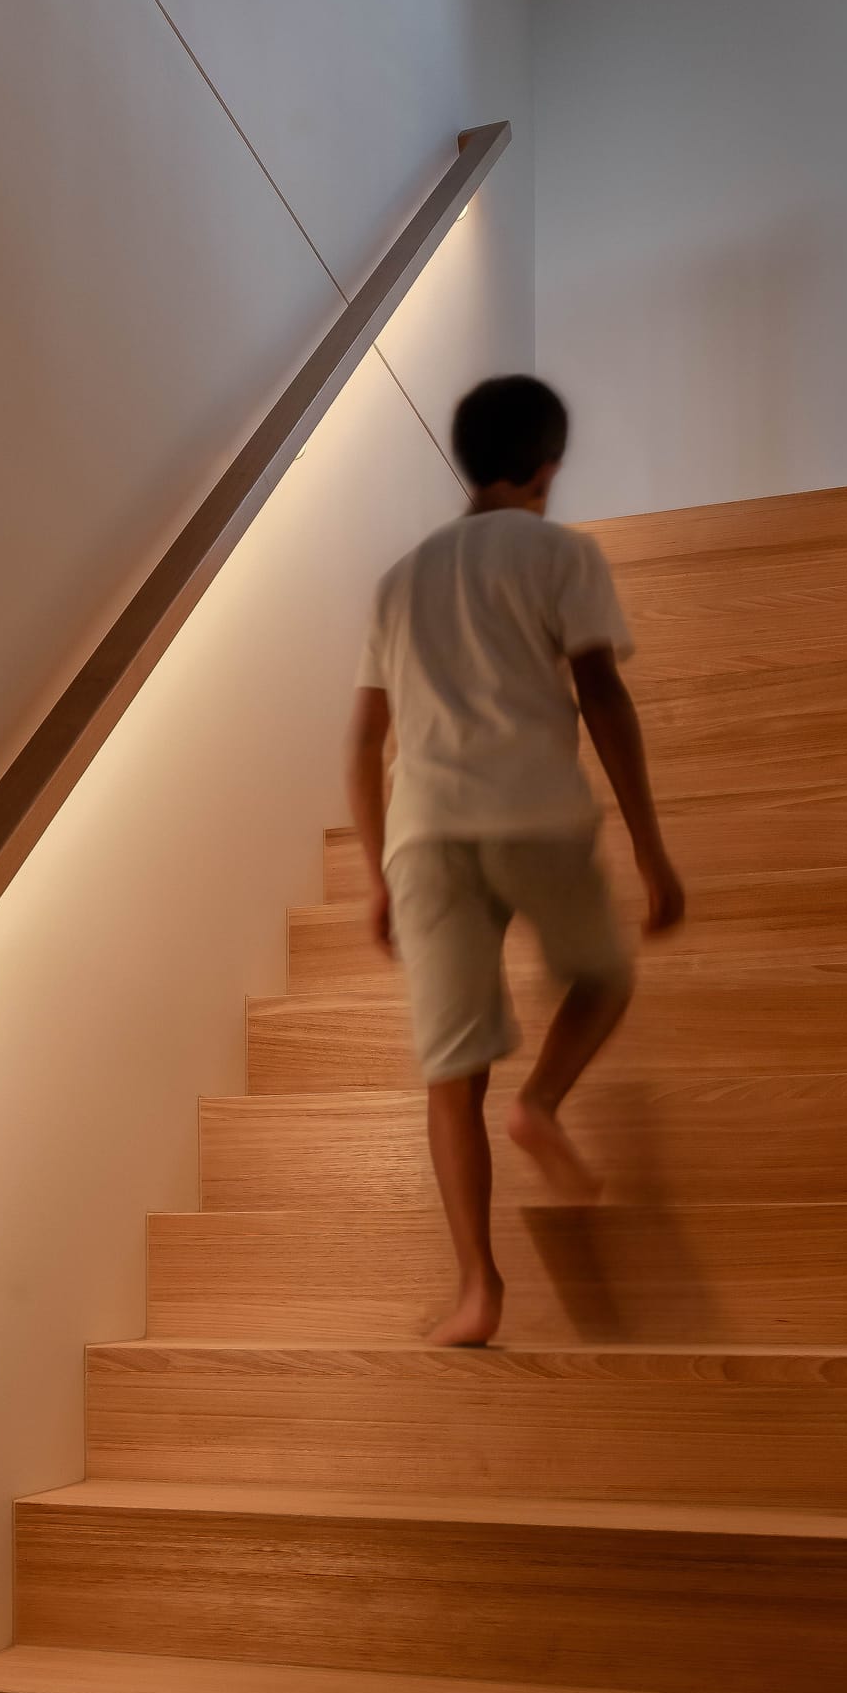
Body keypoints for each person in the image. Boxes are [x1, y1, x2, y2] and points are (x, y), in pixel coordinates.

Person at [344, 374, 684, 1347]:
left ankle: (476, 1292)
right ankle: (540, 1103)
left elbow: (361, 740)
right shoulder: (560, 555)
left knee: (450, 1072)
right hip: (533, 815)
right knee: (601, 977)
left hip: (424, 838)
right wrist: (653, 853)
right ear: (546, 468)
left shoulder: (397, 580)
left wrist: (375, 873)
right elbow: (602, 700)